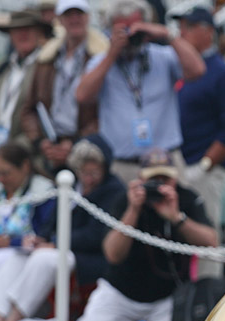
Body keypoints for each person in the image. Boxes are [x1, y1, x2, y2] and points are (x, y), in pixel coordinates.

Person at [0, 134, 125, 321]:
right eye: (84, 171)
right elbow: (52, 221)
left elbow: (96, 235)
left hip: (88, 256)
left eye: (94, 172)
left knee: (46, 258)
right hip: (60, 248)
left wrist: (56, 243)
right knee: (21, 254)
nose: (89, 177)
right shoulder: (72, 184)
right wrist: (42, 239)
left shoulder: (114, 190)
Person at [72, 148, 217, 321]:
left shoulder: (186, 199)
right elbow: (113, 254)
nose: (159, 186)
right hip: (122, 291)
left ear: (175, 179)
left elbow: (210, 242)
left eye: (164, 179)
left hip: (169, 295)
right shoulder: (125, 200)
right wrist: (133, 210)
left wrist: (176, 216)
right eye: (153, 180)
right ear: (141, 179)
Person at [75, 0, 205, 185]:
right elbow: (82, 96)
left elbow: (198, 70)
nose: (130, 36)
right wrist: (112, 54)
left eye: (134, 28)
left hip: (165, 163)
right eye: (123, 29)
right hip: (122, 165)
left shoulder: (162, 56)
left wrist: (167, 35)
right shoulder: (102, 63)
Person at [171, 6, 225, 278]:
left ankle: (207, 301)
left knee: (206, 239)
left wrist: (205, 164)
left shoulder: (223, 74)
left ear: (206, 32)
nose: (181, 33)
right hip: (178, 164)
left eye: (188, 27)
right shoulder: (181, 69)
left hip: (204, 167)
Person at [20, 0, 108, 179]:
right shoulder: (47, 58)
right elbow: (29, 107)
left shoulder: (102, 57)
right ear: (59, 19)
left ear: (88, 17)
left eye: (79, 14)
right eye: (69, 15)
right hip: (51, 145)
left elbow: (107, 110)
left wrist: (77, 142)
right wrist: (40, 142)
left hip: (87, 149)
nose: (74, 19)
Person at [0, 142, 55, 300]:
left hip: (23, 255)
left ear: (25, 166)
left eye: (6, 173)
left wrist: (12, 242)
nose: (1, 179)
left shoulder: (44, 193)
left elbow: (45, 235)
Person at [0, 11, 54, 157]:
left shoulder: (47, 67)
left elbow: (45, 116)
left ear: (39, 33)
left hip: (28, 154)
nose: (23, 34)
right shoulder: (1, 68)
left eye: (28, 29)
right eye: (17, 30)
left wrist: (13, 150)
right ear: (10, 35)